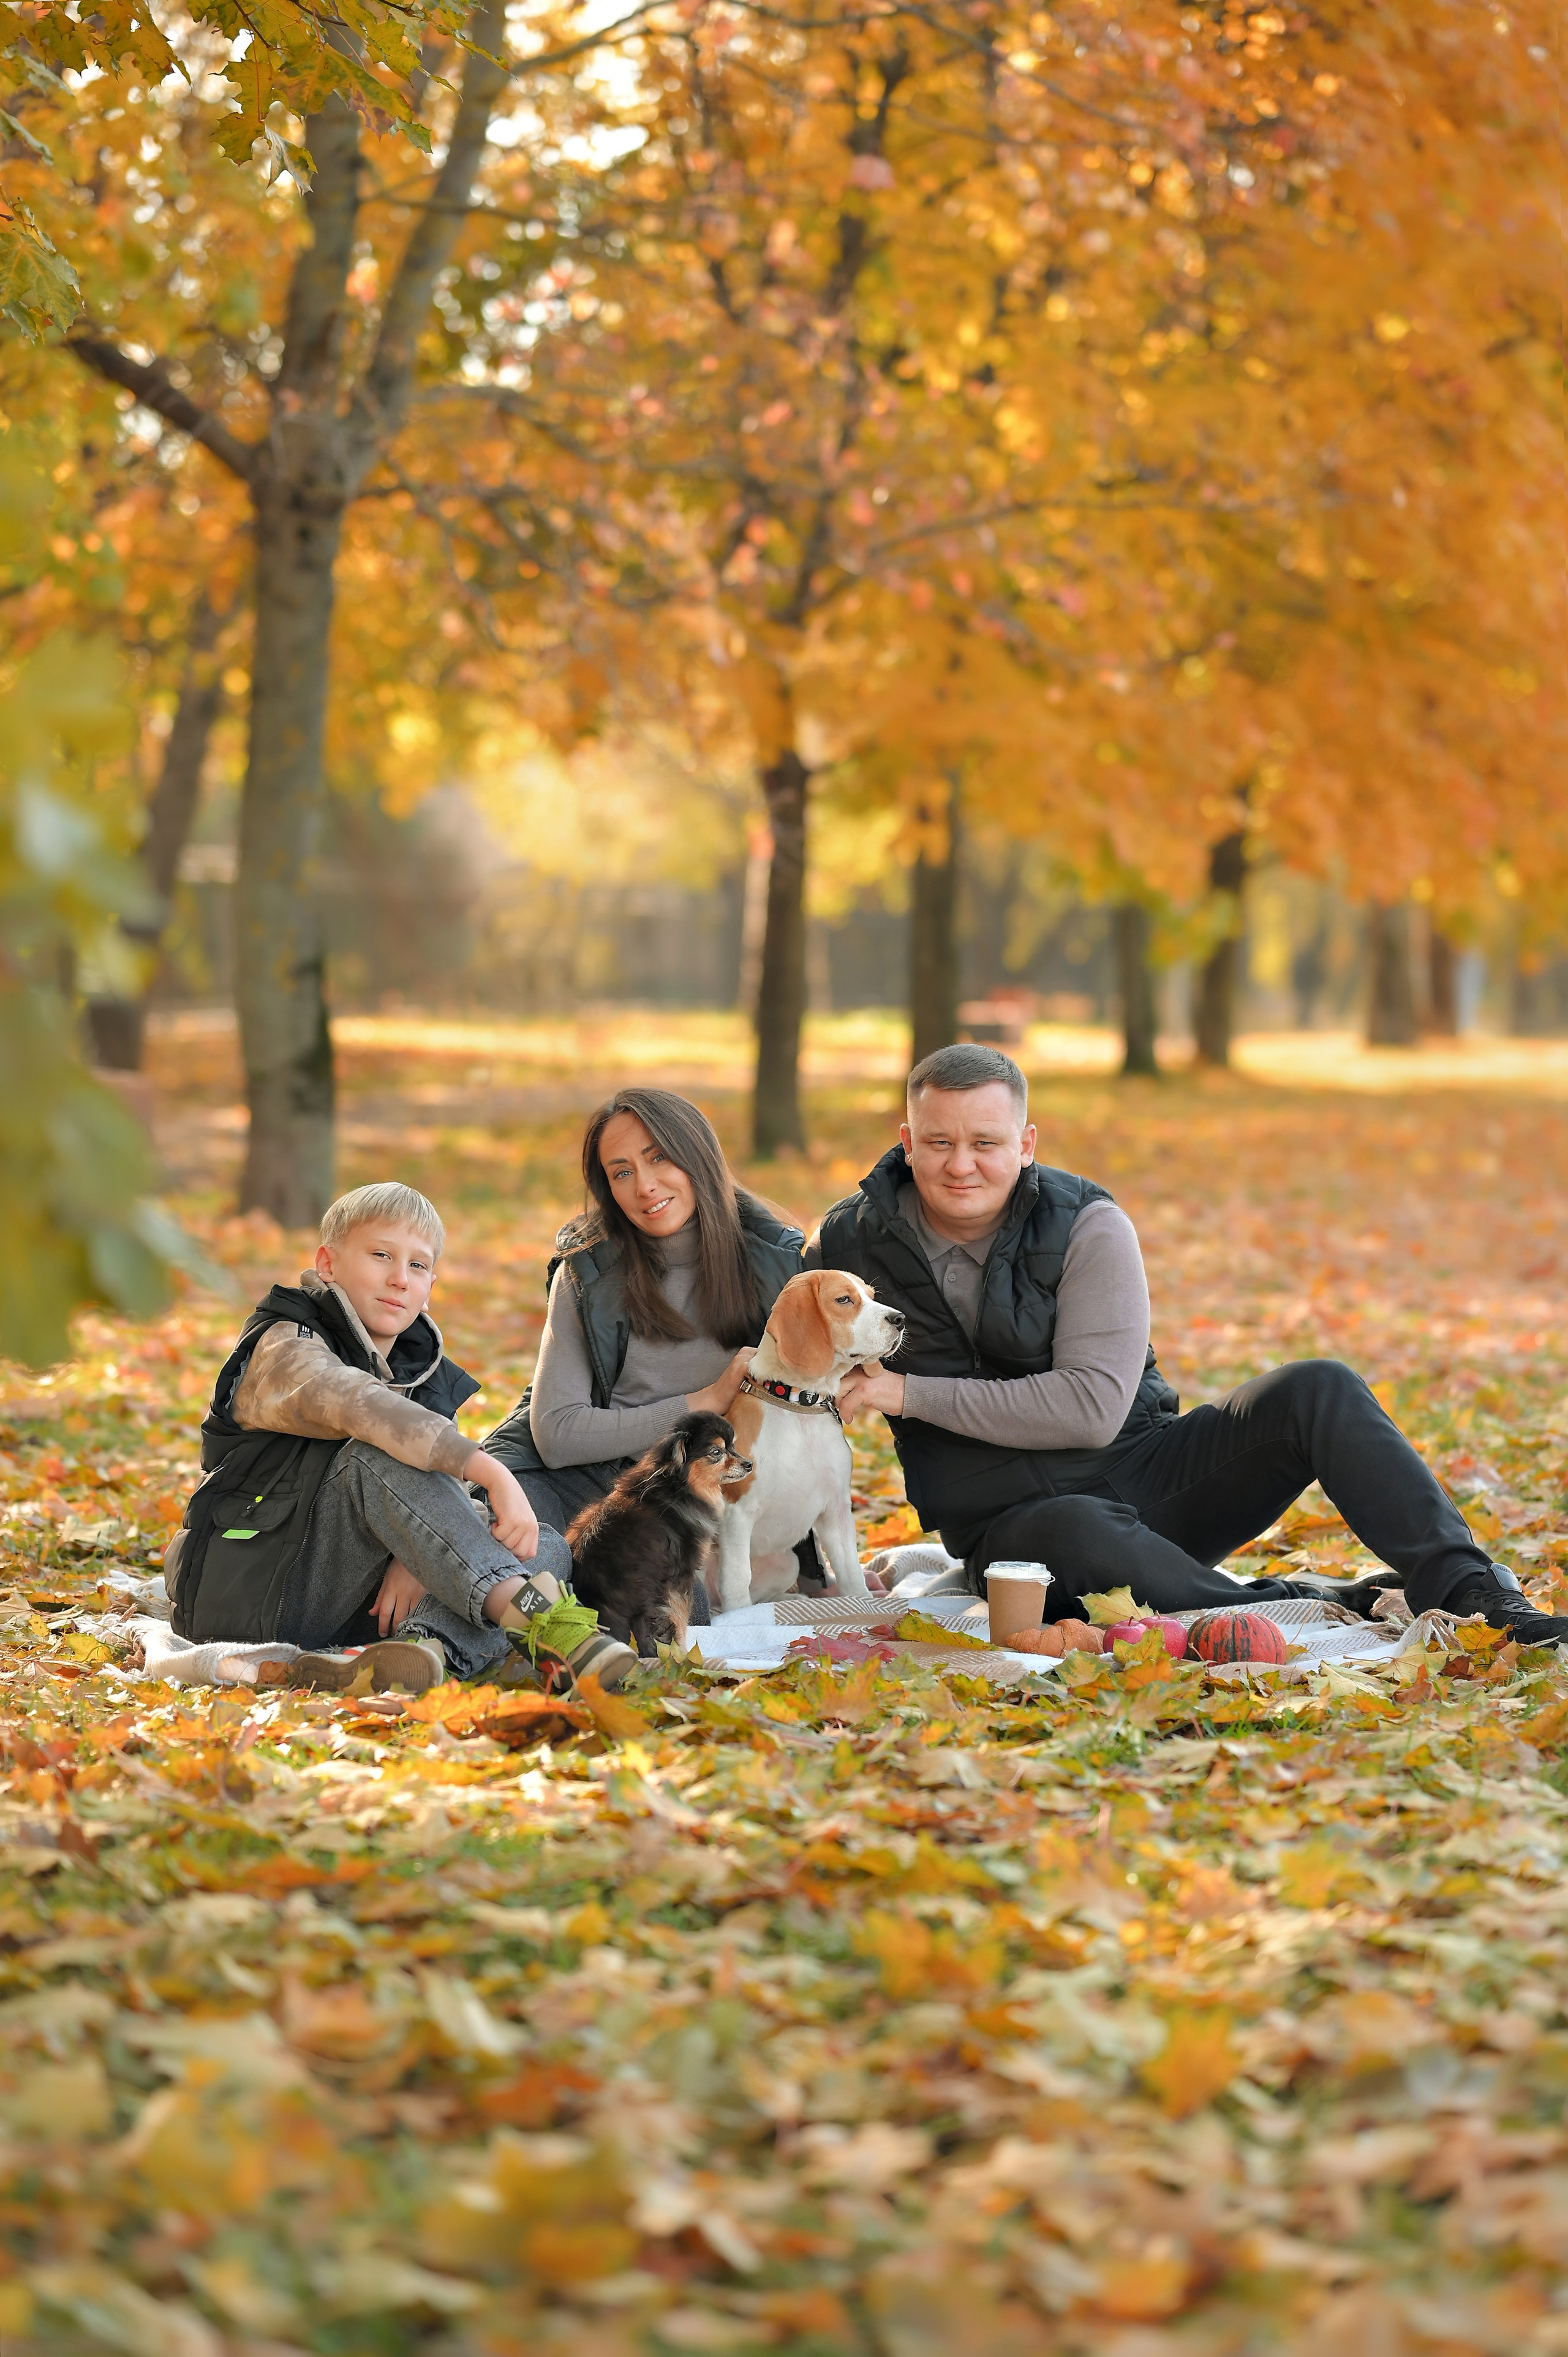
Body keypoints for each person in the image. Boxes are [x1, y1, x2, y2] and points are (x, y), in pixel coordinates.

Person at [812, 1043, 1567, 1644]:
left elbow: (1089, 1410)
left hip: (1147, 1474)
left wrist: (905, 1393)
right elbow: (761, 1319)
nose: (960, 1163)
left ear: (1027, 1142)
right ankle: (1301, 1602)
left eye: (985, 1140)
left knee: (1318, 1386)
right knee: (1070, 1527)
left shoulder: (1087, 1224)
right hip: (1019, 1531)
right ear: (907, 1141)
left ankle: (1474, 1593)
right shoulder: (846, 1243)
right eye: (938, 1141)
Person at [167, 1182, 638, 1690]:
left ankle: (419, 1654)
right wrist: (488, 1470)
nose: (399, 1279)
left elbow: (443, 1509)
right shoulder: (286, 1343)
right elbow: (358, 1404)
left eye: (417, 1265)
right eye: (380, 1255)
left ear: (431, 1284)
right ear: (328, 1264)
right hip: (253, 1590)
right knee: (378, 1454)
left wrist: (416, 1557)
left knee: (540, 1546)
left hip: (358, 1603)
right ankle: (549, 1627)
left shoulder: (423, 1374)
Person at [483, 1087, 815, 1597]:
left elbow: (812, 1419)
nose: (645, 1186)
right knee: (521, 1554)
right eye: (621, 1173)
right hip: (581, 1481)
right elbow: (557, 1432)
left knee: (675, 1617)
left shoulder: (778, 1266)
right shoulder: (587, 1274)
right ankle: (428, 1648)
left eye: (659, 1158)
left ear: (697, 1155)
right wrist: (703, 1402)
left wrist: (814, 1563)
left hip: (692, 1499)